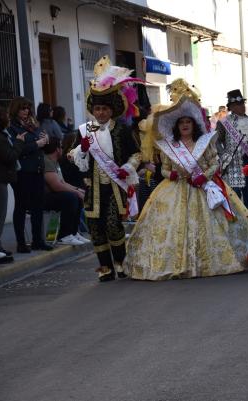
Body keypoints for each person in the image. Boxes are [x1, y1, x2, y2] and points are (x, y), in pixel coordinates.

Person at [123, 95, 248, 280]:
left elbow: (214, 164)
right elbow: (164, 170)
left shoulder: (205, 143)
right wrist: (173, 175)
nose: (185, 125)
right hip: (175, 189)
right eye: (181, 123)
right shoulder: (170, 147)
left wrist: (204, 176)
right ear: (176, 127)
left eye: (188, 122)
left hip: (203, 188)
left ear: (194, 125)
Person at [69, 55, 142, 282]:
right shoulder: (85, 130)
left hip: (114, 186)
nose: (100, 113)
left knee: (112, 225)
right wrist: (81, 149)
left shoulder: (121, 130)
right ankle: (105, 268)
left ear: (112, 109)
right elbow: (71, 156)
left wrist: (128, 167)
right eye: (97, 108)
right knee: (95, 227)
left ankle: (121, 263)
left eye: (104, 109)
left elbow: (137, 153)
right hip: (93, 188)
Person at [7, 97, 51, 253]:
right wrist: (36, 144)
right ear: (15, 109)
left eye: (28, 108)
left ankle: (38, 240)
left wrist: (45, 140)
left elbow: (39, 144)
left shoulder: (32, 125)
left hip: (37, 169)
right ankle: (21, 243)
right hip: (23, 172)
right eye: (22, 108)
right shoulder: (12, 127)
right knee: (21, 206)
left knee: (37, 207)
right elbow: (18, 149)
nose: (26, 111)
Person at [216, 89, 248, 211]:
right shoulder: (224, 122)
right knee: (234, 203)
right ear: (232, 107)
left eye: (243, 103)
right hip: (232, 166)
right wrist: (223, 154)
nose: (242, 107)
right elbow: (216, 141)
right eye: (238, 104)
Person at [42, 137, 89, 246]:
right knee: (71, 198)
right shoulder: (47, 162)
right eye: (61, 147)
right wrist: (75, 192)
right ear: (57, 149)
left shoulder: (55, 162)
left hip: (53, 195)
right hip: (44, 197)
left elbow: (62, 182)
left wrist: (77, 190)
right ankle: (64, 235)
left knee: (78, 196)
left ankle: (73, 232)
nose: (62, 150)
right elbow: (56, 186)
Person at [0, 106, 24, 263]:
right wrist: (19, 143)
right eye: (6, 116)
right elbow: (10, 156)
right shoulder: (0, 138)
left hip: (2, 179)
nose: (8, 118)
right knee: (0, 215)